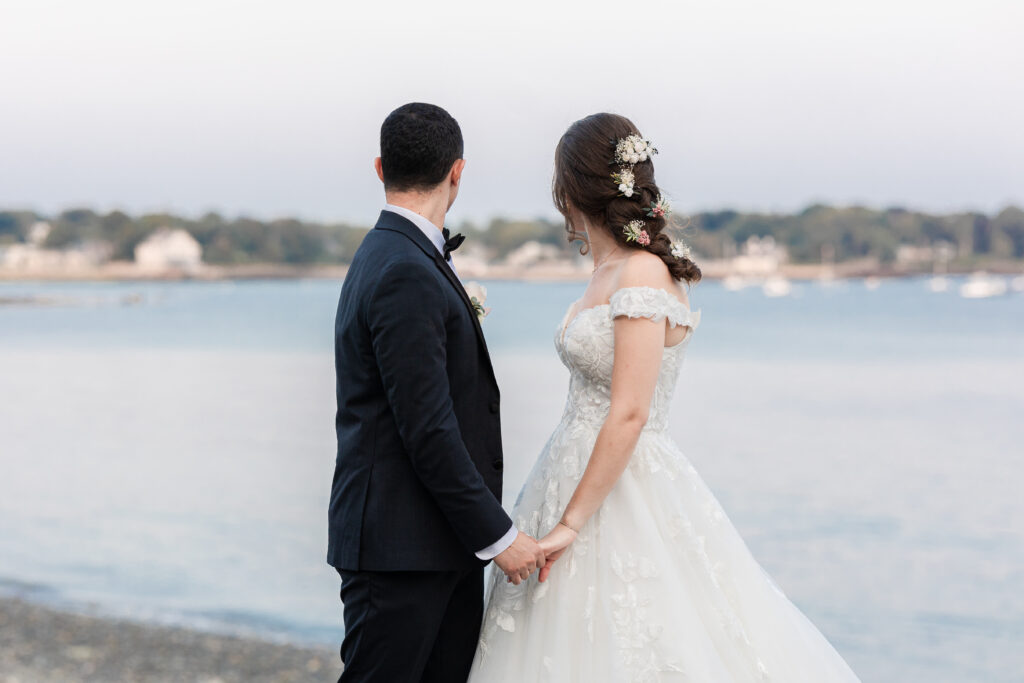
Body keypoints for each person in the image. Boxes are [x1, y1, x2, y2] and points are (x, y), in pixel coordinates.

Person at [468, 113, 862, 682]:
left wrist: (571, 526)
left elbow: (630, 412)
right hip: (568, 468)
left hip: (622, 486)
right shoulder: (606, 270)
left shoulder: (644, 274)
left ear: (571, 189)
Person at [328, 102, 545, 683]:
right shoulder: (402, 266)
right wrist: (499, 537)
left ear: (380, 167)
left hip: (433, 546)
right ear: (457, 171)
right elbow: (425, 427)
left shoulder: (395, 253)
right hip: (400, 551)